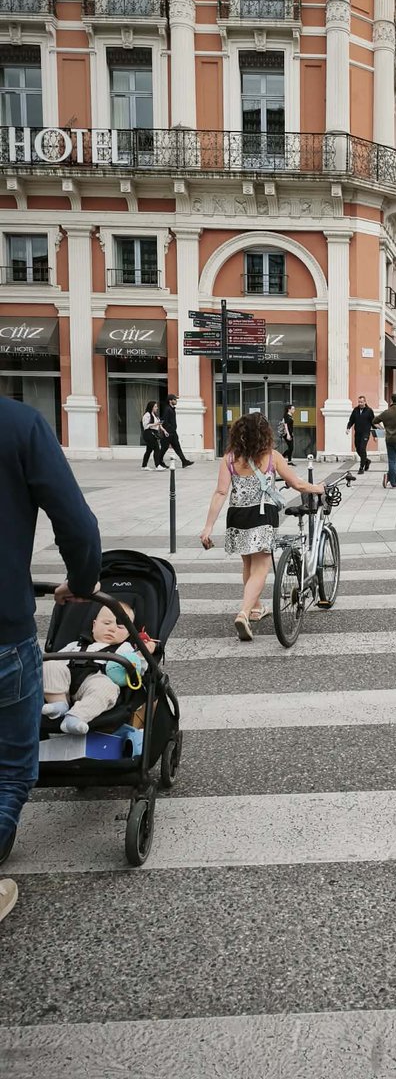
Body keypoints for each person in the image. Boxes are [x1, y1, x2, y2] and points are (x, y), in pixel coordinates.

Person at [0, 396, 102, 925]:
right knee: (12, 771)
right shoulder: (19, 424)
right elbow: (76, 524)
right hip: (3, 629)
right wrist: (82, 584)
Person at [200, 412, 324, 640]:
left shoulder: (229, 458)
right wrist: (318, 488)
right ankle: (244, 613)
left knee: (248, 563)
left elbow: (220, 492)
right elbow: (296, 484)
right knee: (261, 567)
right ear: (264, 433)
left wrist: (208, 527)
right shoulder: (272, 456)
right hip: (262, 515)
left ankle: (256, 607)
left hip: (236, 516)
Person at [41, 603, 148, 735]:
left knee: (107, 688)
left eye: (120, 626)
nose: (112, 629)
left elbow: (138, 667)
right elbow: (56, 660)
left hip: (95, 680)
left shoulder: (124, 648)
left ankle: (76, 717)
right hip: (65, 682)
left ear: (128, 633)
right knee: (50, 664)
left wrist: (143, 652)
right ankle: (59, 703)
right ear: (94, 625)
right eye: (107, 623)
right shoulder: (76, 645)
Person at [160, 394, 193, 468]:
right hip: (168, 433)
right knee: (164, 448)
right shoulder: (167, 409)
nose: (176, 401)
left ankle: (184, 461)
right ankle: (159, 462)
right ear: (170, 401)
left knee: (177, 447)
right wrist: (169, 430)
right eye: (174, 399)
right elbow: (165, 421)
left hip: (173, 433)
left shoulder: (172, 409)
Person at [346, 395, 376, 474]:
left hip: (365, 433)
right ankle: (367, 461)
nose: (360, 403)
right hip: (357, 433)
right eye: (359, 402)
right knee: (358, 449)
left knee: (362, 449)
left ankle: (361, 467)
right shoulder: (355, 410)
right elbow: (351, 420)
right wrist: (348, 428)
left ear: (365, 402)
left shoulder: (369, 411)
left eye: (362, 402)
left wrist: (375, 435)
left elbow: (373, 423)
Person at [140, 400, 166, 471]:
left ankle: (144, 466)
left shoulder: (155, 415)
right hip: (149, 433)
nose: (157, 408)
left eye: (156, 406)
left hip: (153, 433)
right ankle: (157, 465)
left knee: (148, 450)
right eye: (155, 406)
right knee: (157, 449)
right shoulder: (147, 415)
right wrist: (155, 424)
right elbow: (145, 426)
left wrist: (164, 431)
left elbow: (159, 425)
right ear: (151, 407)